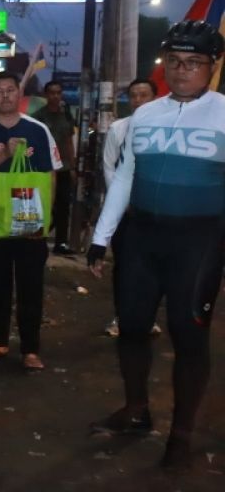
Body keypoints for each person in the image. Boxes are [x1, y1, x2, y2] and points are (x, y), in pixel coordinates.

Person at [87, 20, 225, 470]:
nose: (182, 71)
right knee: (131, 328)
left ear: (212, 66)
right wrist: (101, 238)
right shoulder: (145, 116)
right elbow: (125, 177)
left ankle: (181, 434)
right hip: (142, 239)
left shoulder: (223, 114)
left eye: (194, 62)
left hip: (198, 242)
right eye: (175, 62)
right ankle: (136, 409)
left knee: (189, 337)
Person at [0, 71, 62, 372]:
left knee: (30, 289)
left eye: (10, 90)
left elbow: (50, 175)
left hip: (30, 226)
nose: (5, 96)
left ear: (18, 94)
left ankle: (30, 349)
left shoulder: (38, 130)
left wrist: (46, 219)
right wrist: (4, 153)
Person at [100, 78, 159, 338]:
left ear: (154, 98)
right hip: (125, 212)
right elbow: (109, 167)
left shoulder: (164, 129)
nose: (138, 100)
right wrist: (121, 203)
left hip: (155, 211)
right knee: (124, 264)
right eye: (133, 95)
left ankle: (148, 317)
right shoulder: (118, 128)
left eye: (143, 95)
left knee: (153, 266)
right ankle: (120, 316)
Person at [32, 80, 77, 255]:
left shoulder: (66, 115)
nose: (55, 96)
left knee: (63, 207)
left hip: (64, 168)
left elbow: (69, 141)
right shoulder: (38, 117)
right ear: (46, 95)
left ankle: (61, 243)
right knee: (45, 205)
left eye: (58, 93)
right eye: (52, 92)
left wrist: (72, 166)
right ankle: (39, 237)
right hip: (46, 168)